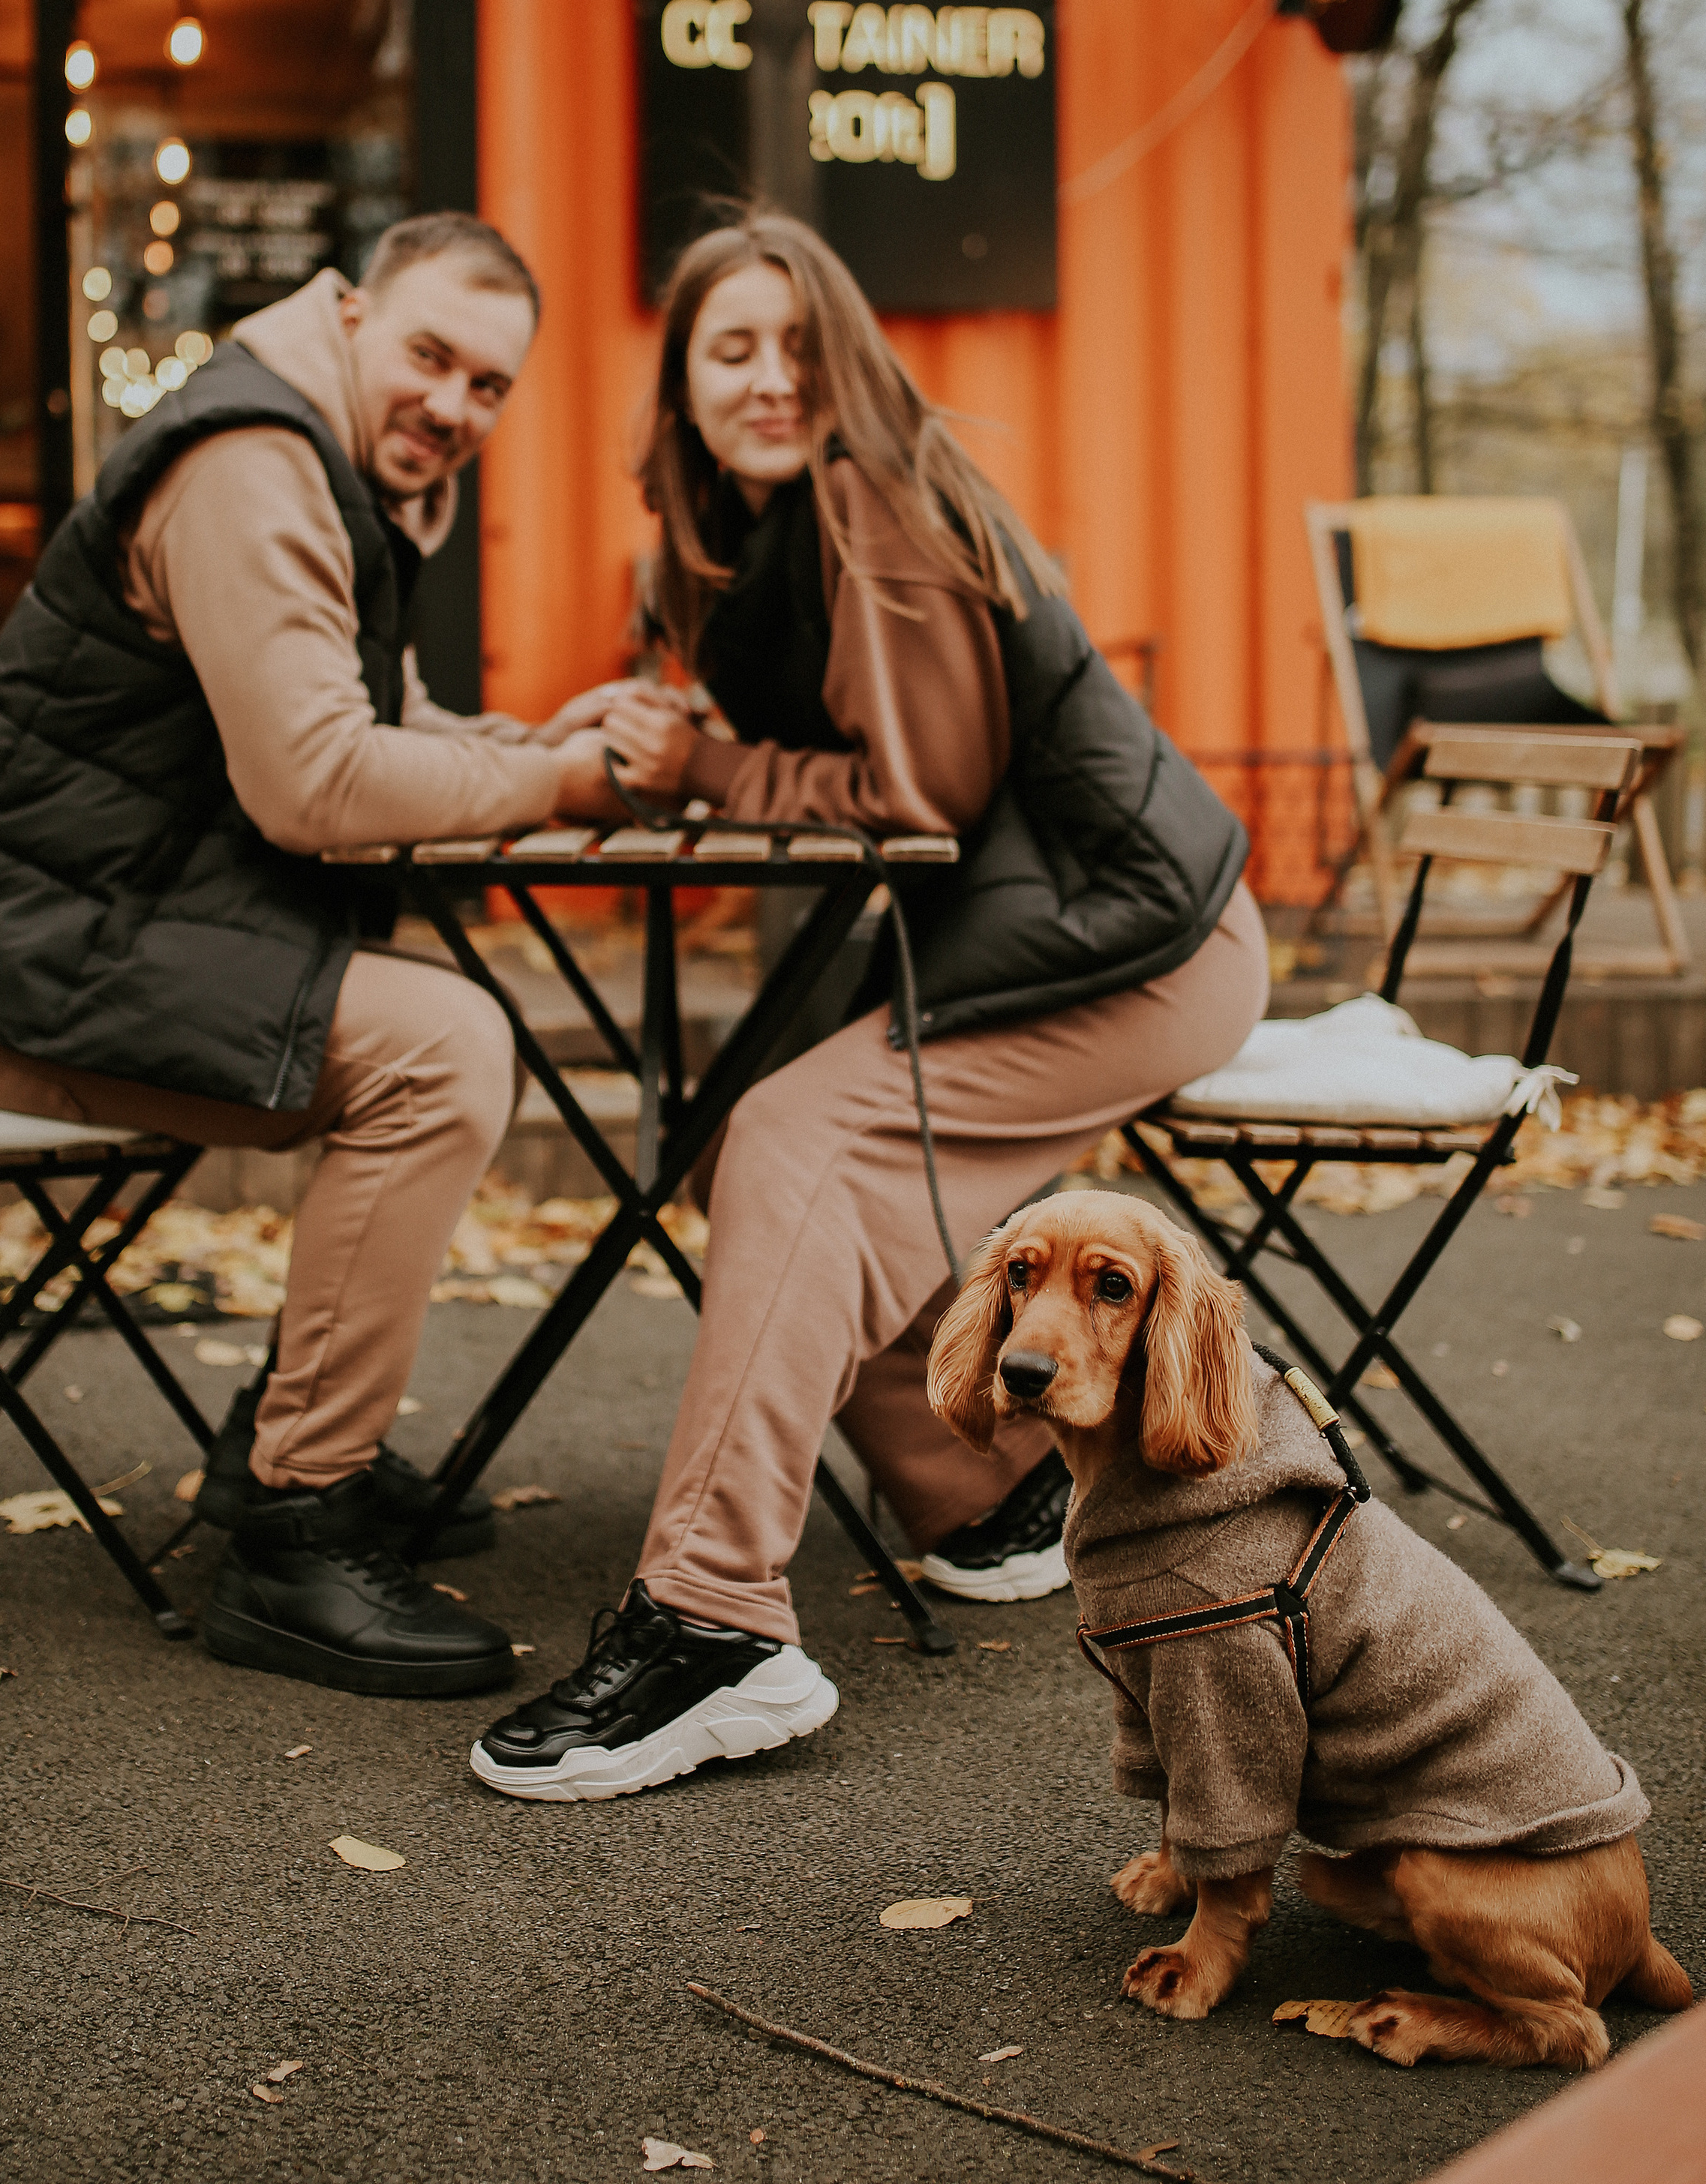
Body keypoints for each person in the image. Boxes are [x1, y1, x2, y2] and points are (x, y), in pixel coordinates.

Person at [470, 214, 1270, 1802]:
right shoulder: (755, 529)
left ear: (844, 361)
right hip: (1048, 936)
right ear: (682, 384)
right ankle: (987, 1497)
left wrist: (702, 769)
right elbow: (820, 735)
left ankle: (713, 1624)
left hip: (1134, 949)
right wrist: (643, 728)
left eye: (797, 346)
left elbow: (928, 789)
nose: (769, 379)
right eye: (729, 349)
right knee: (746, 1153)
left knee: (785, 1137)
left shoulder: (871, 498)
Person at [0, 215, 624, 1702]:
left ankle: (286, 1438)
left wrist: (551, 748)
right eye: (429, 355)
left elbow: (385, 727)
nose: (454, 407)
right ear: (346, 312)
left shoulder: (337, 470)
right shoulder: (254, 469)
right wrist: (564, 789)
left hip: (89, 937)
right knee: (446, 1047)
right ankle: (294, 1527)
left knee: (442, 1032)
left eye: (488, 387)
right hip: (5, 980)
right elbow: (321, 788)